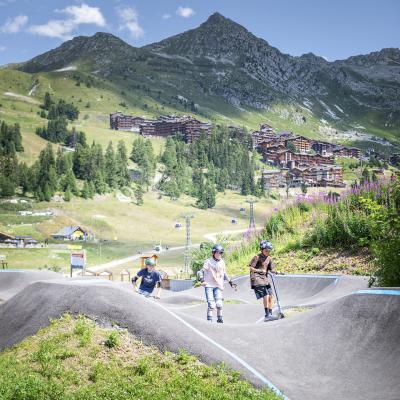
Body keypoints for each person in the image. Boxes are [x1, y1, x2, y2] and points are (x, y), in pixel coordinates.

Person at [197, 244, 236, 323]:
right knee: (212, 305)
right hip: (209, 285)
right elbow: (200, 272)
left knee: (219, 303)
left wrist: (230, 282)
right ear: (213, 253)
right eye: (218, 253)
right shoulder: (208, 261)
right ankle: (209, 321)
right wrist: (202, 280)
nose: (219, 254)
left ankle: (219, 319)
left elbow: (224, 273)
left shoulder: (222, 262)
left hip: (218, 285)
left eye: (221, 253)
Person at [249, 240, 276, 321]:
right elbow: (251, 268)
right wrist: (260, 270)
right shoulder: (257, 257)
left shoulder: (269, 258)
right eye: (266, 250)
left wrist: (276, 271)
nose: (268, 252)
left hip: (265, 279)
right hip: (257, 278)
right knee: (266, 295)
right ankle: (267, 315)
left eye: (269, 250)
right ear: (262, 249)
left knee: (271, 295)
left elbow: (271, 269)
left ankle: (270, 314)